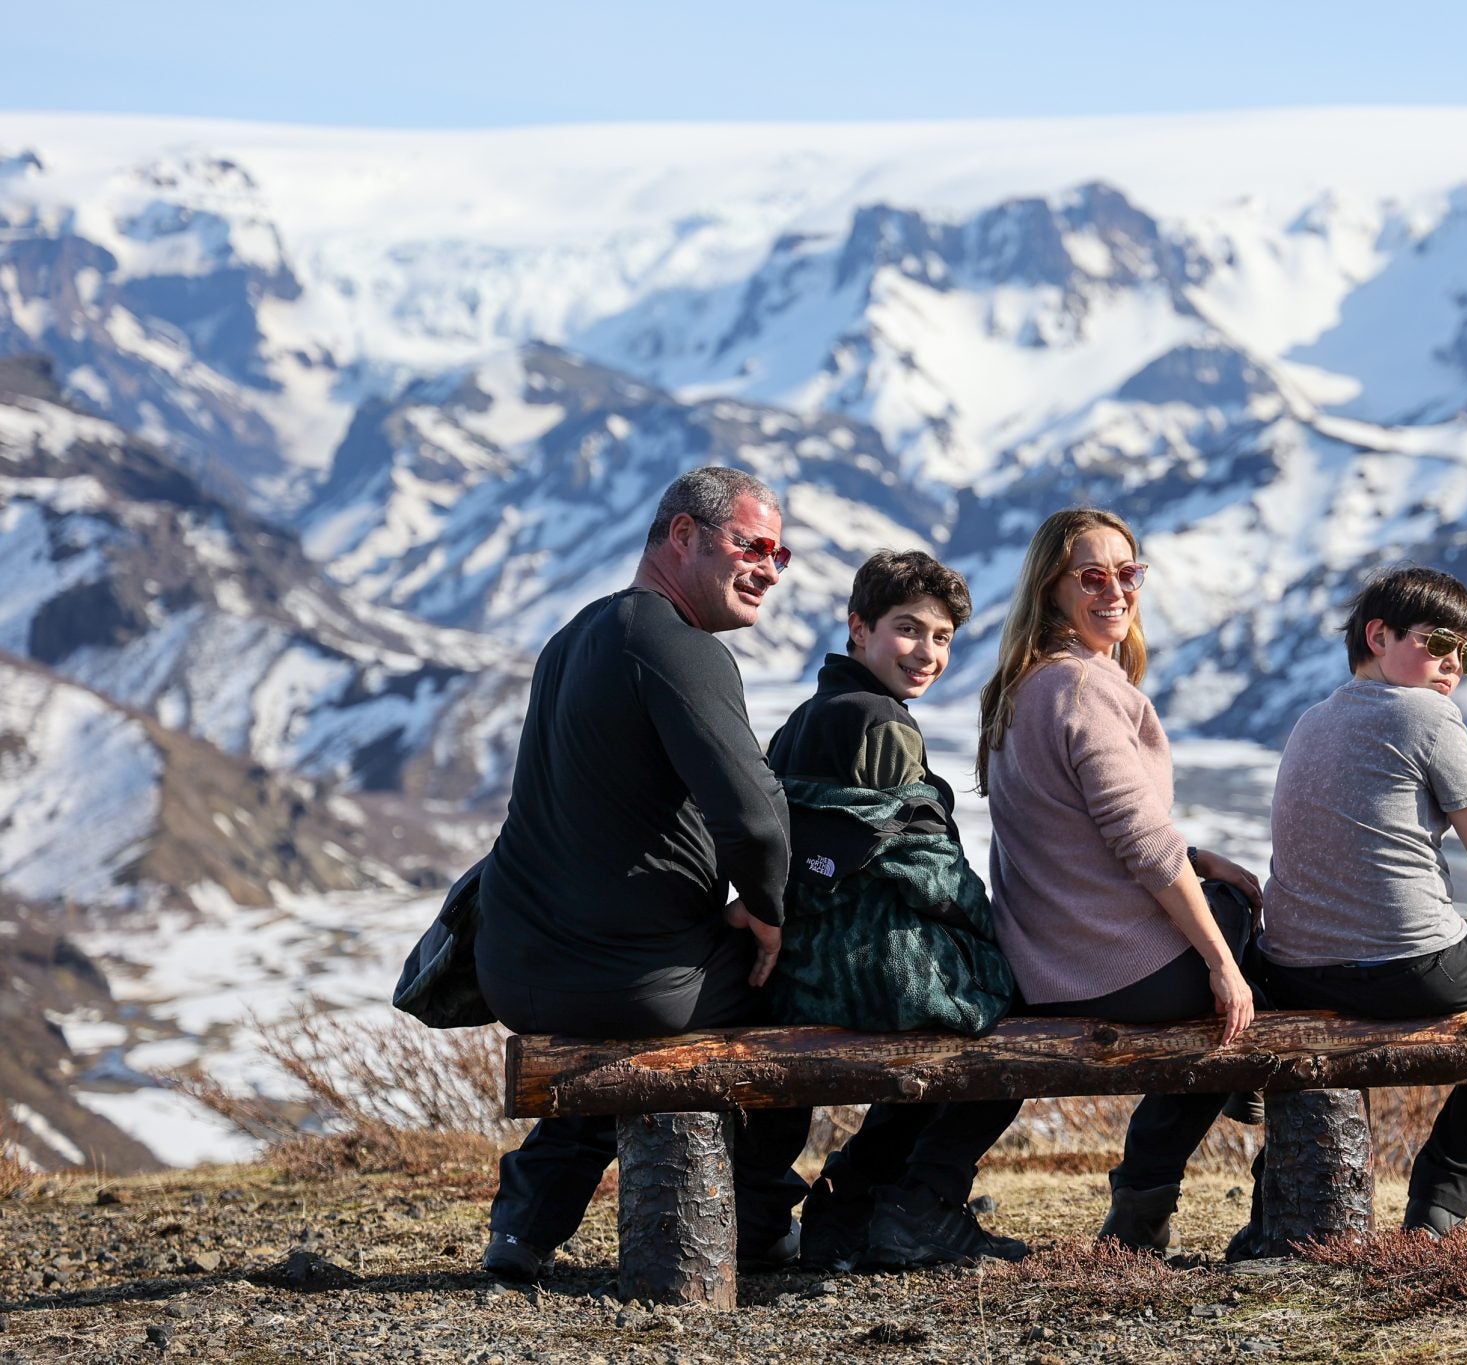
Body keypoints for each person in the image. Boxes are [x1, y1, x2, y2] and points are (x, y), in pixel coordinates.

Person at [473, 465, 810, 1283]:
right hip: (631, 978)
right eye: (752, 544)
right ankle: (763, 1219)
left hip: (519, 968)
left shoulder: (575, 636)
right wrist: (768, 910)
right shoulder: (677, 645)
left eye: (782, 552)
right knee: (801, 981)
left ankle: (525, 1224)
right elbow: (756, 816)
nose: (768, 566)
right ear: (683, 536)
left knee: (626, 1040)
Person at [975, 507, 1263, 1253]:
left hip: (1047, 960)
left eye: (1128, 573)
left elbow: (1080, 827)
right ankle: (1148, 1199)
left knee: (1226, 909)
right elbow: (1140, 844)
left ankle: (1149, 1201)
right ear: (1051, 588)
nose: (1116, 590)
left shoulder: (1022, 683)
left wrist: (1196, 857)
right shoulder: (1082, 687)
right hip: (1109, 968)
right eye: (1092, 575)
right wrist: (1223, 962)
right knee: (1248, 946)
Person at [1254, 564, 1467, 1240]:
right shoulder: (1428, 713)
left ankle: (1278, 1206)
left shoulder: (1310, 718)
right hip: (1407, 962)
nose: (1454, 663)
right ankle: (1442, 1202)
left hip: (1292, 965)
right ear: (1379, 633)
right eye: (1440, 641)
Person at [763, 550, 1026, 1271]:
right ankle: (920, 1201)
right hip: (863, 965)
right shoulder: (882, 726)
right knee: (1017, 1004)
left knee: (965, 1006)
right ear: (859, 626)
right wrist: (992, 929)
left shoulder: (809, 715)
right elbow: (926, 870)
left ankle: (856, 1200)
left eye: (942, 638)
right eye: (908, 630)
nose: (928, 653)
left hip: (804, 960)